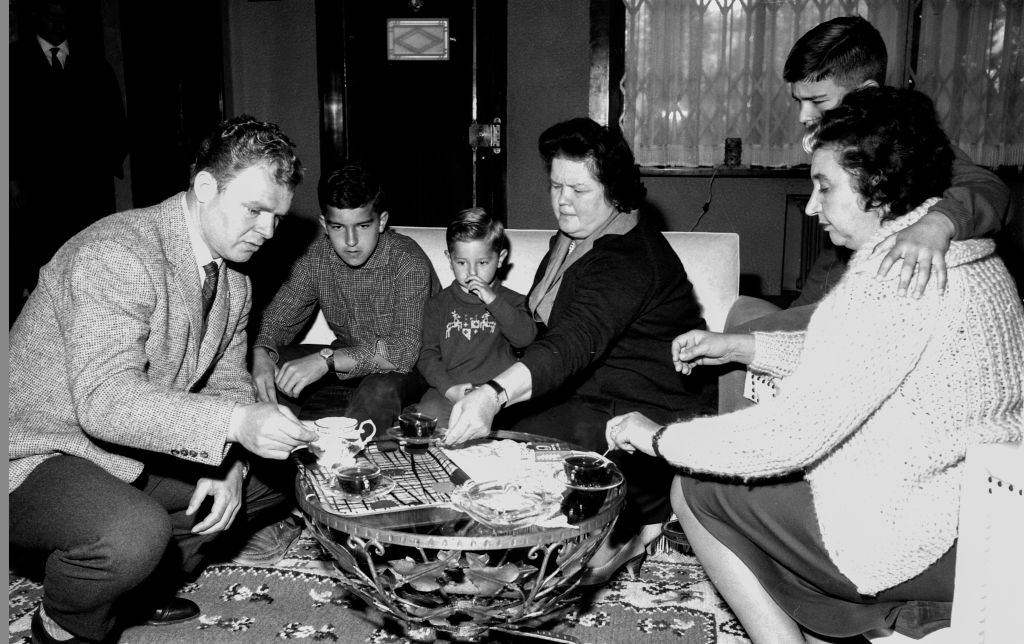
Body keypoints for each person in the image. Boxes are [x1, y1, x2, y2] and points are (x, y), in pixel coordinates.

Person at [606, 87, 1024, 642]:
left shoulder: (895, 278)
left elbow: (791, 435)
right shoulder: (960, 253)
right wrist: (743, 348)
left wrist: (660, 439)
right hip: (988, 520)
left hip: (926, 537)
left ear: (878, 189)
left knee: (696, 489)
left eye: (824, 186)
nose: (809, 205)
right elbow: (864, 356)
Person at [8, 115, 319, 644]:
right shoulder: (118, 252)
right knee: (132, 534)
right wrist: (236, 424)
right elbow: (105, 401)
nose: (268, 232)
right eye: (255, 210)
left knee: (275, 477)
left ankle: (138, 588)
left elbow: (225, 379)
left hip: (118, 447)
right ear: (203, 187)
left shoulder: (234, 280)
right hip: (36, 451)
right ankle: (60, 626)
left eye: (278, 217)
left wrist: (229, 460)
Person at [443, 118, 716, 585]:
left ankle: (640, 521)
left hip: (641, 408)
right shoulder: (569, 240)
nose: (563, 200)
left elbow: (573, 341)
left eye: (579, 189)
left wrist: (494, 393)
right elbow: (540, 331)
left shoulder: (629, 258)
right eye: (555, 186)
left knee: (560, 552)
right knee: (480, 463)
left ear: (613, 190)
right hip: (584, 395)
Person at [721, 14, 1011, 411]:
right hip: (828, 301)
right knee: (742, 312)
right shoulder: (837, 146)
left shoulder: (900, 146)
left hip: (868, 319)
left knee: (742, 345)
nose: (804, 117)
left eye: (817, 100)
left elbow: (990, 188)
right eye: (799, 101)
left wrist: (937, 224)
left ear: (867, 92)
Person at [251, 161, 439, 432]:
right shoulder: (316, 258)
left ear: (381, 222)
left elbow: (404, 352)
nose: (351, 241)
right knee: (268, 365)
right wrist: (261, 354)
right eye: (339, 227)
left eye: (362, 226)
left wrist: (325, 360)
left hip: (411, 369)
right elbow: (276, 320)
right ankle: (283, 452)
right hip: (345, 361)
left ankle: (351, 467)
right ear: (324, 225)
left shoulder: (407, 261)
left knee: (379, 389)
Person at [9, 0, 129, 319]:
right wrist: (12, 179)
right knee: (44, 261)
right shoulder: (14, 62)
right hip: (40, 186)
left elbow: (115, 118)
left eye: (64, 17)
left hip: (89, 186)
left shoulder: (92, 61)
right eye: (51, 15)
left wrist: (108, 158)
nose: (58, 24)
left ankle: (91, 317)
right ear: (37, 15)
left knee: (90, 254)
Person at [415, 208, 537, 427]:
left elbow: (525, 338)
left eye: (482, 263)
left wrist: (493, 300)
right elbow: (427, 356)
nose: (472, 273)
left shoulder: (513, 301)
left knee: (522, 426)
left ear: (500, 259)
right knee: (425, 418)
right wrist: (450, 390)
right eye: (462, 263)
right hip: (450, 390)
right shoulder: (437, 304)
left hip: (498, 393)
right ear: (449, 259)